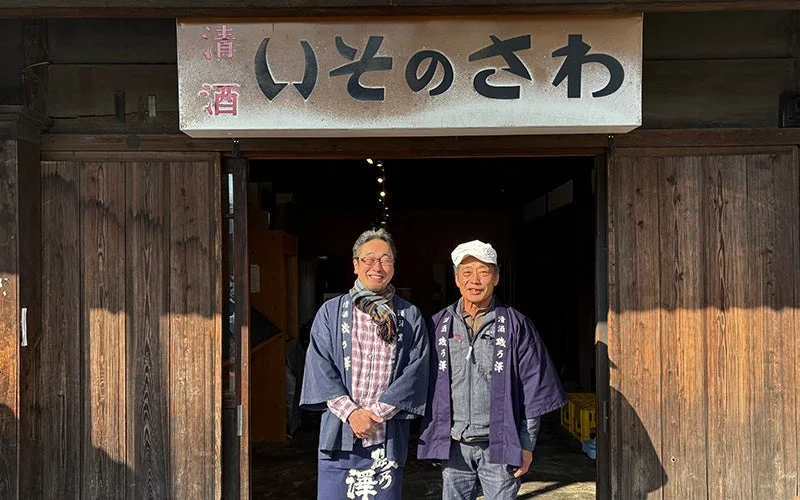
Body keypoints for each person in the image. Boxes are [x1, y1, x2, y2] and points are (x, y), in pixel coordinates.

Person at [417, 240, 567, 500]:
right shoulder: (438, 325)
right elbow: (424, 384)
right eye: (467, 272)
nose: (474, 280)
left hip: (500, 445)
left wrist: (526, 444)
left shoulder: (516, 325)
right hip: (454, 447)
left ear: (496, 278)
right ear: (456, 279)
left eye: (484, 271)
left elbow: (533, 390)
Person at [300, 228, 430, 500]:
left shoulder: (409, 315)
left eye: (385, 259)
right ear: (356, 265)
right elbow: (319, 365)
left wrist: (376, 414)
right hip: (340, 433)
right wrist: (352, 414)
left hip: (387, 432)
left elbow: (416, 370)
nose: (377, 267)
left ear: (394, 266)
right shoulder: (331, 312)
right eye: (369, 259)